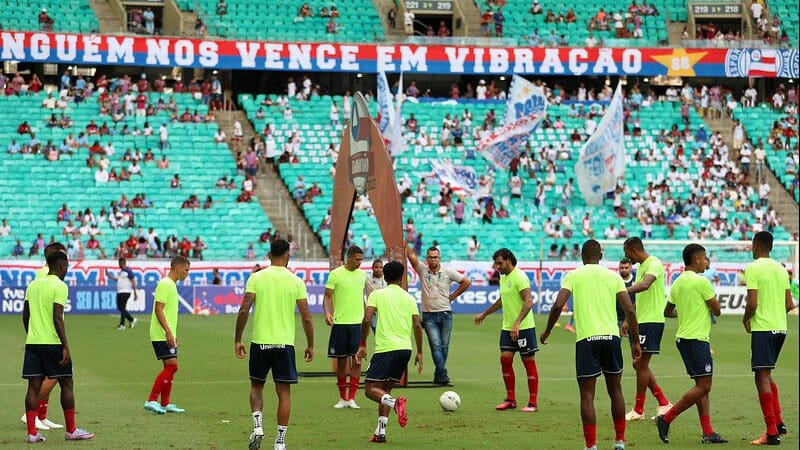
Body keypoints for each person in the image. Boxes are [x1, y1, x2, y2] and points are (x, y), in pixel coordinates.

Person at [540, 239, 640, 450]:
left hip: (586, 340)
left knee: (587, 395)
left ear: (582, 257)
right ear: (600, 256)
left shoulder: (574, 275)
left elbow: (558, 304)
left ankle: (591, 445)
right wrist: (636, 342)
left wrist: (548, 330)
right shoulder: (613, 277)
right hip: (611, 338)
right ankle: (620, 441)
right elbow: (630, 310)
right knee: (616, 390)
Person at [234, 239, 314, 450]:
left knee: (256, 386)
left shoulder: (256, 277)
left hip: (260, 342)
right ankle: (280, 442)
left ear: (269, 255)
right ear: (288, 255)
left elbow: (244, 309)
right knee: (284, 393)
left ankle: (258, 426)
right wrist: (310, 344)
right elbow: (306, 316)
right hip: (284, 344)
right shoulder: (296, 281)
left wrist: (237, 339)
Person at [655, 244, 728, 444]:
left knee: (701, 386)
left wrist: (685, 311)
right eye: (704, 258)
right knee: (705, 386)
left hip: (684, 339)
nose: (706, 262)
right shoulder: (702, 282)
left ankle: (708, 432)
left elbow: (667, 312)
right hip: (696, 339)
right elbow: (717, 310)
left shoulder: (678, 283)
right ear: (697, 260)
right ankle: (666, 418)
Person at [22, 250, 94, 443]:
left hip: (33, 342)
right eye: (67, 266)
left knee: (33, 387)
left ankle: (32, 433)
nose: (67, 269)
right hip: (53, 343)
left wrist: (32, 335)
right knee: (66, 383)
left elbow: (25, 316)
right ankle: (71, 430)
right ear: (61, 265)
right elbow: (57, 317)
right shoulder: (60, 286)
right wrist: (65, 346)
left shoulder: (33, 285)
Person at [356, 261, 423, 443]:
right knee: (385, 391)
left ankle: (396, 404)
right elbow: (417, 325)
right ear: (402, 277)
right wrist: (420, 352)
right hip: (405, 349)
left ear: (384, 276)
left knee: (370, 390)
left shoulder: (377, 294)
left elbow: (366, 319)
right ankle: (381, 432)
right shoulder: (409, 298)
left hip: (386, 349)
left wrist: (362, 344)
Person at [743, 231, 794, 445]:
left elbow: (752, 303)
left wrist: (746, 319)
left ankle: (772, 433)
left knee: (761, 377)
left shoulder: (753, 268)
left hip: (763, 328)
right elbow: (790, 304)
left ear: (756, 245)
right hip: (780, 328)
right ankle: (779, 421)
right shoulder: (781, 269)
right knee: (767, 374)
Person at [474, 248, 539, 412]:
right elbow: (503, 300)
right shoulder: (503, 278)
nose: (497, 266)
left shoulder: (520, 277)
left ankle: (533, 403)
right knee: (505, 359)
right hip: (507, 328)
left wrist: (517, 323)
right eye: (496, 263)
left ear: (509, 260)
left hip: (523, 328)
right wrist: (485, 314)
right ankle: (511, 399)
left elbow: (529, 302)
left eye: (500, 263)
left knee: (528, 363)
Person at [19, 243, 71, 432]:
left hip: (38, 337)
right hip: (49, 336)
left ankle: (41, 416)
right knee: (56, 377)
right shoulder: (46, 275)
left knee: (45, 377)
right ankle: (32, 414)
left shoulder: (40, 278)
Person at [623, 237, 672, 421]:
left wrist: (621, 290)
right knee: (639, 364)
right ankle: (663, 402)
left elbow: (645, 285)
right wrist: (629, 319)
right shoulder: (641, 267)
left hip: (652, 321)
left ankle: (639, 409)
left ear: (634, 249)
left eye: (627, 252)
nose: (626, 256)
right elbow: (640, 298)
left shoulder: (654, 263)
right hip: (641, 321)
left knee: (640, 364)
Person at [407, 244, 471, 385]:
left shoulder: (448, 272)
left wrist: (452, 296)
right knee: (435, 345)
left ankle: (439, 373)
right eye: (430, 257)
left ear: (439, 258)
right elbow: (411, 257)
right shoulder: (423, 270)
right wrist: (404, 243)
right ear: (427, 258)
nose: (433, 260)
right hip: (429, 315)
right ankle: (443, 374)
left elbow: (466, 282)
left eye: (435, 257)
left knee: (444, 346)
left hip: (445, 313)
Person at [144, 256, 191, 415]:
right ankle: (151, 399)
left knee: (169, 367)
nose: (187, 274)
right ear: (177, 268)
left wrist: (173, 333)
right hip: (160, 333)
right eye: (186, 270)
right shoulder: (165, 284)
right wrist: (168, 332)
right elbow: (159, 309)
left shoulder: (171, 285)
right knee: (172, 366)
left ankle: (165, 403)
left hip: (166, 333)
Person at [324, 246, 367, 409]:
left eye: (361, 259)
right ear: (348, 258)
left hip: (357, 324)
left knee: (356, 361)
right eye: (357, 259)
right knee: (341, 362)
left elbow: (364, 297)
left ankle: (352, 398)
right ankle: (342, 398)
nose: (359, 262)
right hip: (340, 323)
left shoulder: (363, 275)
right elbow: (327, 297)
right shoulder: (335, 274)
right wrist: (328, 313)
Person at [106, 257, 138, 330]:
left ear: (123, 263)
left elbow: (133, 280)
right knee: (120, 308)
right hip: (120, 291)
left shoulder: (128, 271)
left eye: (119, 263)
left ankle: (122, 325)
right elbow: (117, 280)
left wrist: (135, 292)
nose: (118, 265)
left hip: (126, 291)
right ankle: (131, 319)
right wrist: (109, 275)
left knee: (122, 308)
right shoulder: (121, 272)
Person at [365, 259, 386, 333]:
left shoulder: (387, 279)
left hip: (384, 310)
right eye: (376, 267)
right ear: (372, 268)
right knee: (376, 328)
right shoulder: (367, 278)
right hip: (372, 310)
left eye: (381, 267)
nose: (379, 269)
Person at [617, 258, 636, 336]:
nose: (624, 270)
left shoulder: (636, 281)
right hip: (616, 318)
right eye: (622, 268)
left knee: (635, 345)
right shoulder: (615, 281)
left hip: (633, 318)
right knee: (615, 346)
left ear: (630, 268)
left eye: (626, 268)